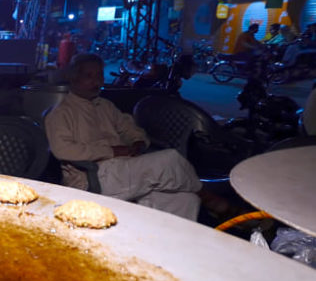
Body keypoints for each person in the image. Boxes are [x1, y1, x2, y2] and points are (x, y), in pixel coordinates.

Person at [45, 53, 222, 221]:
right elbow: (63, 150)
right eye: (88, 76)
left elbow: (129, 127)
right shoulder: (61, 113)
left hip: (123, 168)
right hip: (93, 175)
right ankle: (210, 198)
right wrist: (112, 151)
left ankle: (163, 247)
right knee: (171, 158)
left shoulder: (104, 106)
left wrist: (138, 142)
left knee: (186, 199)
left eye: (99, 75)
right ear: (74, 78)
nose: (96, 81)